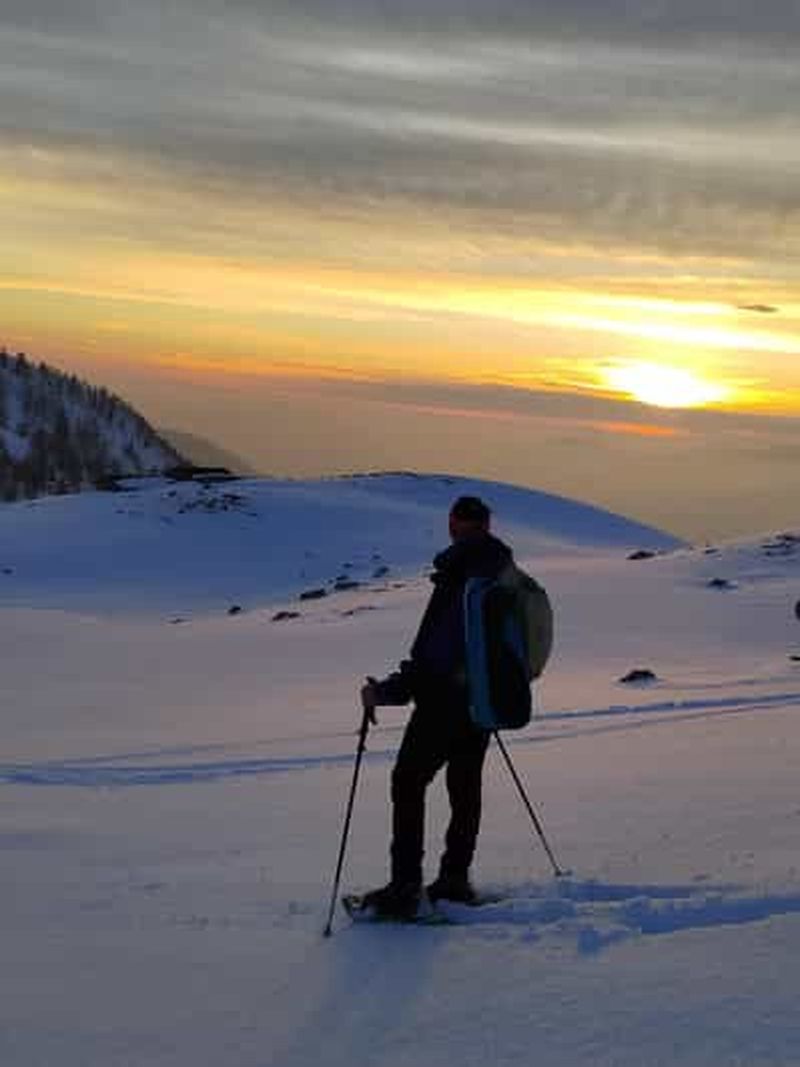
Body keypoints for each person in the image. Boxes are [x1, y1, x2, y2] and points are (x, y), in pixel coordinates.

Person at [359, 495, 515, 919]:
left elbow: (436, 655)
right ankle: (454, 880)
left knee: (407, 782)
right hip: (481, 704)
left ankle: (405, 889)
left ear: (454, 525)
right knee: (464, 789)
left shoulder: (461, 575)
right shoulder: (500, 573)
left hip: (443, 703)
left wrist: (391, 690)